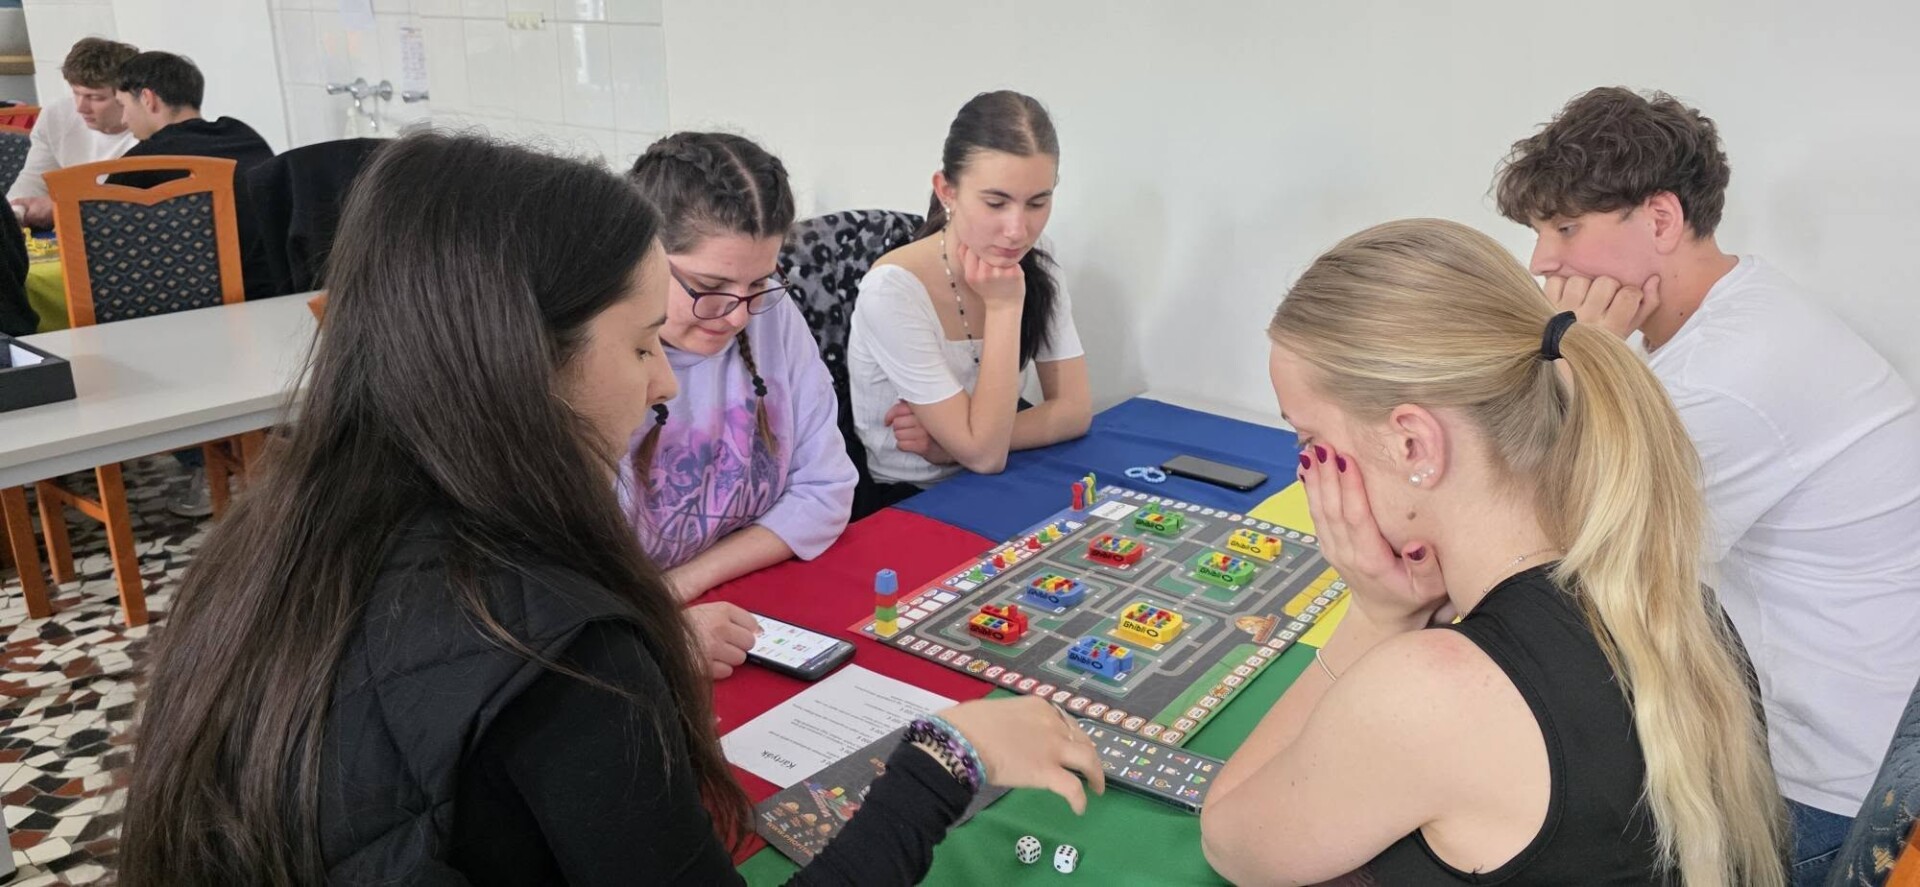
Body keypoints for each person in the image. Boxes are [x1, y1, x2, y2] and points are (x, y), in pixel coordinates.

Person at [118, 132, 1102, 886]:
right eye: (639, 345)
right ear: (525, 357)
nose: (666, 381)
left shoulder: (264, 540)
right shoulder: (563, 645)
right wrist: (950, 755)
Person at [1200, 219, 1785, 885]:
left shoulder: (1433, 690)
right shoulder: (1678, 604)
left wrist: (1376, 619)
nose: (1305, 470)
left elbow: (1233, 842)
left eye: (1308, 439)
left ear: (1413, 445)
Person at [1494, 86, 1920, 884]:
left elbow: (1543, 547)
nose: (1541, 262)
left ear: (1660, 219)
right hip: (1834, 724)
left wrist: (1576, 360)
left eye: (1565, 227)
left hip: (1818, 783)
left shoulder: (1726, 375)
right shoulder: (1736, 315)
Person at [621, 133, 857, 660]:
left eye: (758, 285)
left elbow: (826, 491)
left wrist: (681, 583)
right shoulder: (588, 358)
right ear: (638, 254)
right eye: (710, 286)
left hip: (708, 605)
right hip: (636, 632)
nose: (736, 316)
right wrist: (657, 610)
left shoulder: (770, 316)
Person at [847, 90, 1090, 501]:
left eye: (1037, 203)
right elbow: (984, 456)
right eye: (996, 202)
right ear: (947, 191)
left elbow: (1074, 410)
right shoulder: (891, 291)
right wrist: (1004, 306)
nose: (1017, 230)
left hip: (1008, 470)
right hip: (910, 496)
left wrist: (953, 447)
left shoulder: (1038, 257)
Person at [5, 37, 140, 227]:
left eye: (95, 98)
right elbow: (32, 183)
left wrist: (60, 209)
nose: (80, 107)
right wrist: (15, 212)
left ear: (129, 95)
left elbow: (140, 204)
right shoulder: (57, 115)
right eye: (76, 93)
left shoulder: (153, 129)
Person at [109, 51, 274, 190]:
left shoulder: (140, 163)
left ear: (147, 99)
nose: (123, 119)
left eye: (123, 105)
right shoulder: (246, 138)